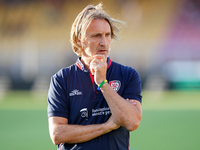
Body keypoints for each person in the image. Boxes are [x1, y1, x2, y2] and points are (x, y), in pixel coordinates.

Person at [47, 3, 142, 150]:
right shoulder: (61, 79)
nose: (104, 42)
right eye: (96, 35)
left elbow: (132, 122)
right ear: (79, 40)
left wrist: (102, 83)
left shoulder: (127, 74)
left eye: (107, 35)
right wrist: (107, 126)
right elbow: (57, 134)